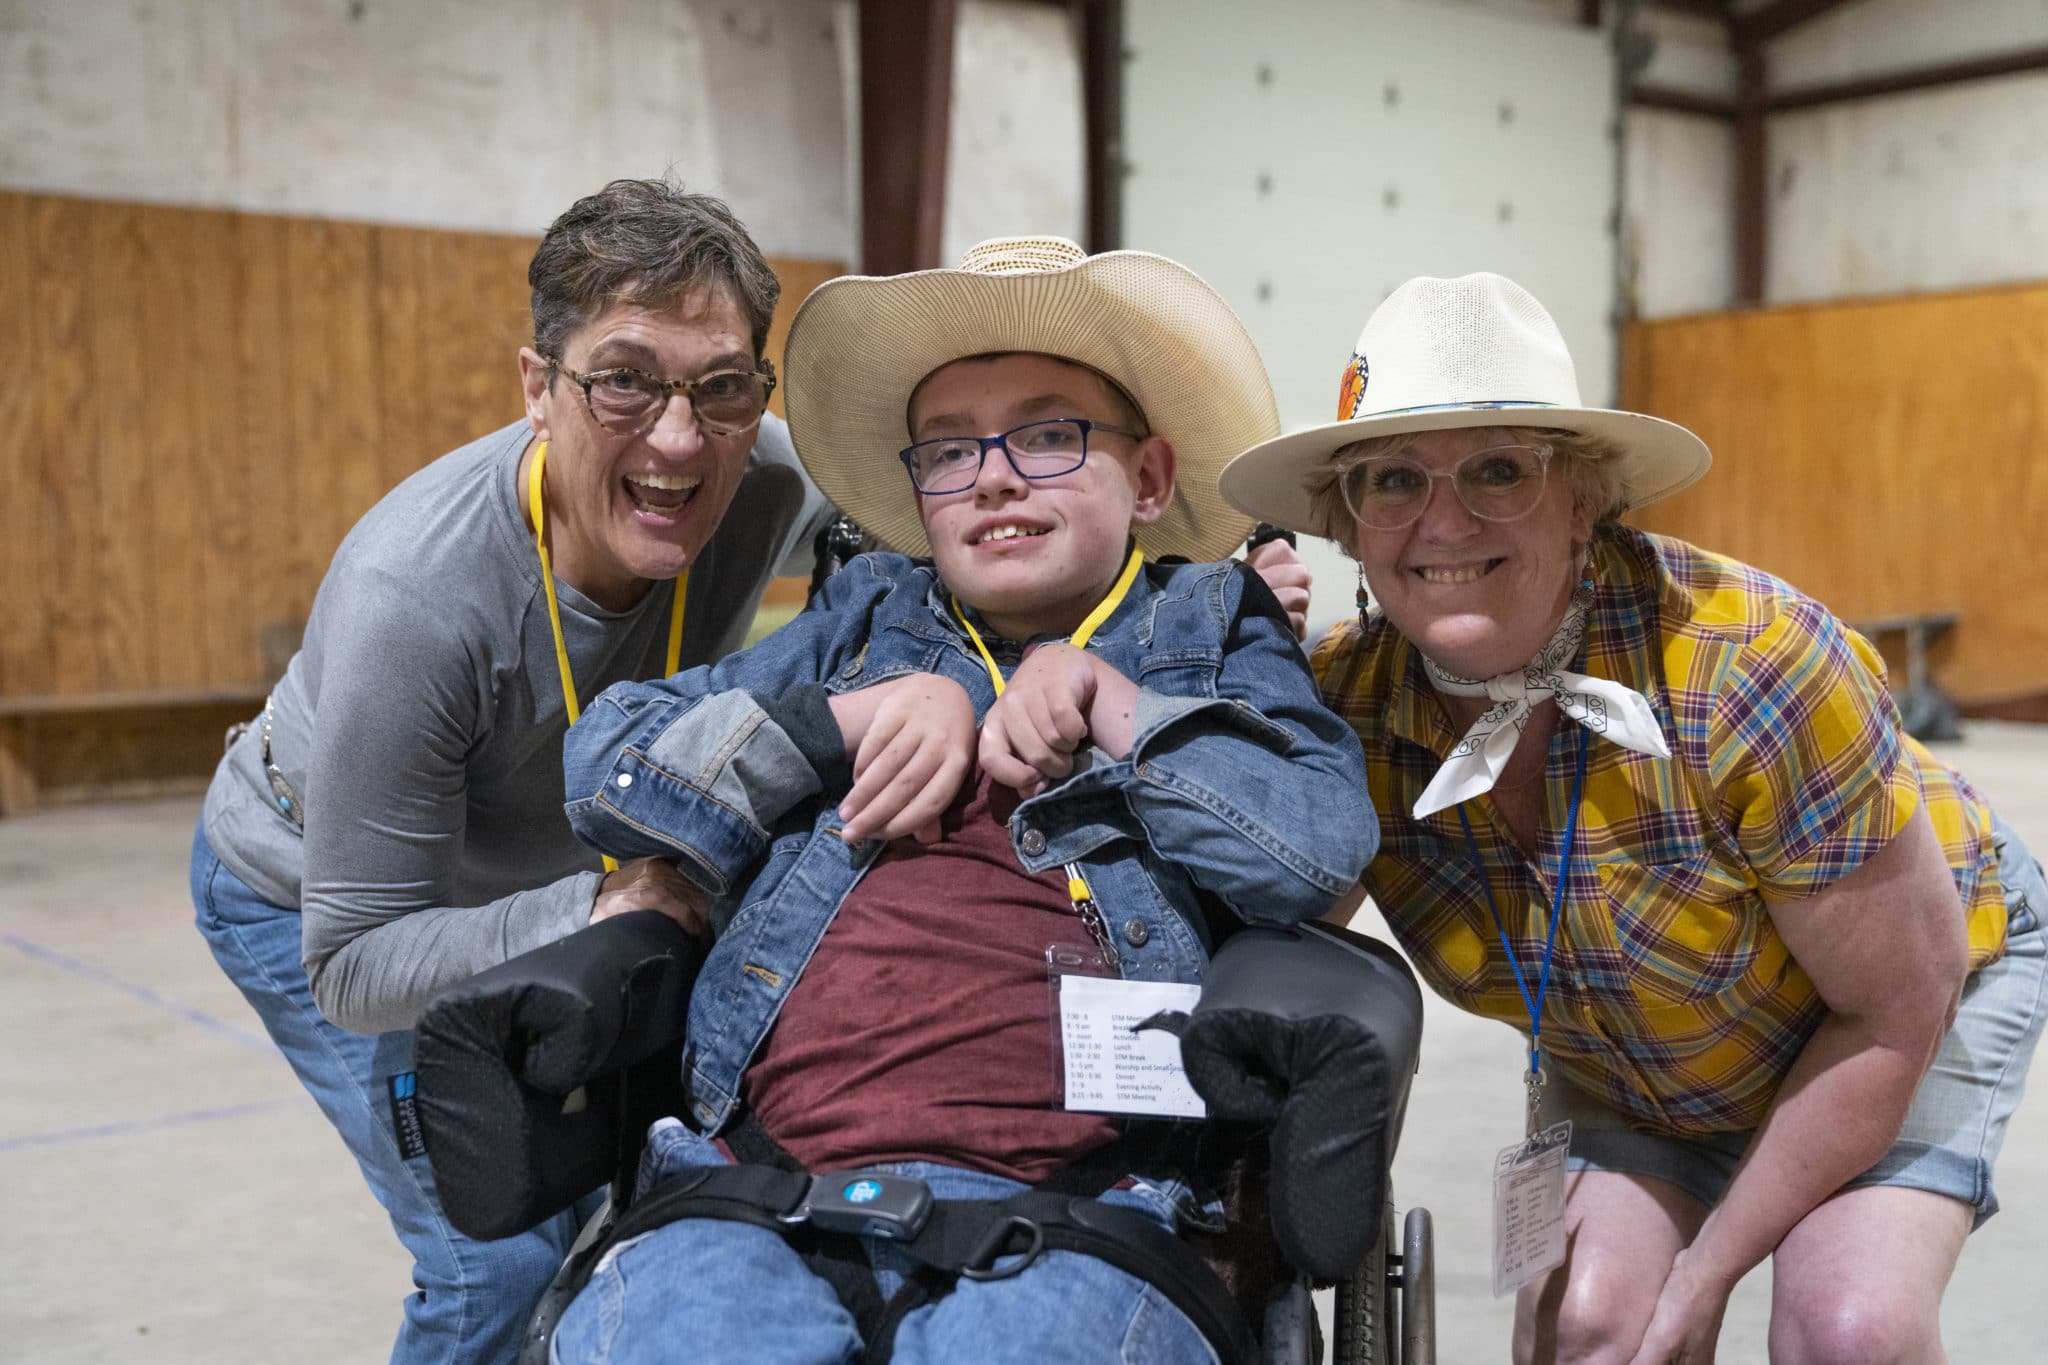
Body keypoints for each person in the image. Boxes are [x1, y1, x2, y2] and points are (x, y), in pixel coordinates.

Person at [549, 236, 1380, 1363]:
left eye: (1045, 435)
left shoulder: (1207, 623)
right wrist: (843, 719)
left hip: (1089, 1206)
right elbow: (607, 767)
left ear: (1146, 479)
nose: (990, 476)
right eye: (948, 450)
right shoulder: (867, 619)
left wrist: (1115, 709)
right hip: (758, 1184)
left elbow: (1318, 850)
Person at [1218, 271, 2044, 1365]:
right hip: (1633, 1049)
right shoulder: (1342, 713)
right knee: (1590, 1328)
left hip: (1898, 997)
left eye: (1499, 470)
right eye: (1391, 481)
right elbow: (1277, 929)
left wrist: (1702, 1279)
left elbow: (1892, 1013)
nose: (1442, 521)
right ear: (1346, 529)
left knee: (1847, 1328)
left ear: (1583, 502)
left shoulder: (1746, 669)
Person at [191, 178, 840, 1363]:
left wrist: (1206, 571)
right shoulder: (418, 599)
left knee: (613, 1202)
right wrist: (597, 905)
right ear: (538, 389)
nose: (679, 438)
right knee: (491, 1263)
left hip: (533, 873)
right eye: (624, 380)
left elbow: (952, 510)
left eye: (722, 385)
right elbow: (355, 961)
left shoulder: (765, 476)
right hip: (314, 890)